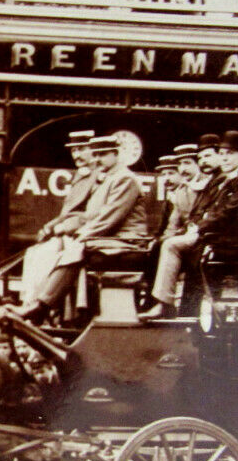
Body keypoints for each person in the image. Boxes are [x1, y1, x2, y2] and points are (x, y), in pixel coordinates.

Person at [16, 134, 150, 324]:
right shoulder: (107, 180)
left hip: (127, 240)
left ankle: (43, 305)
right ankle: (47, 307)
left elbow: (109, 219)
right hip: (109, 238)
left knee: (75, 248)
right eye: (94, 154)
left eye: (102, 154)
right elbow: (89, 216)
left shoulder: (125, 179)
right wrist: (66, 228)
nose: (96, 159)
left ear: (116, 154)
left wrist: (81, 236)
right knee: (63, 248)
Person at [141, 131, 238, 320]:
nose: (224, 159)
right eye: (222, 154)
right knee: (170, 244)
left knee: (171, 245)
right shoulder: (227, 178)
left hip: (235, 239)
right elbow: (207, 208)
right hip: (218, 234)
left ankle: (165, 305)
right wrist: (195, 225)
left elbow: (229, 212)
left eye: (229, 154)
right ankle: (166, 304)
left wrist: (199, 228)